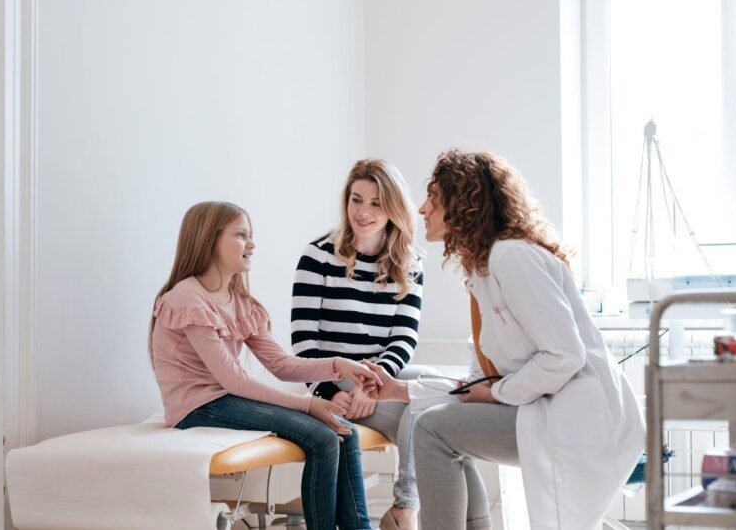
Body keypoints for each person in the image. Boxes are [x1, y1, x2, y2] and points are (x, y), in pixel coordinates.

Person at [363, 150, 645, 530]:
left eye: (433, 196)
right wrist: (399, 390)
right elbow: (477, 386)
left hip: (582, 418)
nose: (421, 208)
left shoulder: (511, 258)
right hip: (549, 411)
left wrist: (495, 394)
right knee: (437, 426)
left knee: (432, 430)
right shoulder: (483, 271)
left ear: (461, 203)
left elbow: (564, 355)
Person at [150, 201, 380, 530]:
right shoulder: (188, 298)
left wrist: (339, 365)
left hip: (224, 399)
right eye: (241, 235)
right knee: (324, 438)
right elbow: (234, 380)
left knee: (346, 432)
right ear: (209, 240)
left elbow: (281, 365)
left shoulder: (240, 302)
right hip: (196, 407)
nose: (252, 244)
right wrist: (309, 404)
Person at [291, 159, 433, 530]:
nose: (363, 212)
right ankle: (404, 516)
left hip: (381, 379)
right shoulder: (317, 257)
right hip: (334, 377)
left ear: (393, 209)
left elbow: (405, 338)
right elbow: (304, 342)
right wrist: (324, 391)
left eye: (376, 203)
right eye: (357, 200)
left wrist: (378, 381)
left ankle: (404, 507)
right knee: (428, 416)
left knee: (432, 396)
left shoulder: (411, 263)